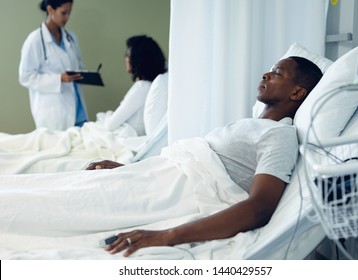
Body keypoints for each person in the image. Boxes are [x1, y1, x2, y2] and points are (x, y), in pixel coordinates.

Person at [85, 56, 323, 257]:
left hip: (166, 196)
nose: (266, 75)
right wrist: (130, 170)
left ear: (297, 92)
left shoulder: (280, 135)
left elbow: (260, 207)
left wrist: (168, 236)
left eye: (277, 73)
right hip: (151, 179)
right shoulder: (250, 125)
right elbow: (191, 162)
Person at [19, 0, 88, 131]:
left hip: (77, 109)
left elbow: (79, 65)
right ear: (50, 10)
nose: (67, 17)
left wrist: (88, 75)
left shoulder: (71, 38)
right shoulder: (35, 40)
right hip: (53, 111)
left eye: (69, 13)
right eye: (63, 13)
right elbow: (26, 77)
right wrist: (58, 79)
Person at [102, 35, 167, 136]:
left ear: (138, 59)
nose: (125, 59)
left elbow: (110, 125)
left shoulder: (141, 87)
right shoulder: (153, 84)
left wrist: (108, 115)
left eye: (128, 55)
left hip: (129, 139)